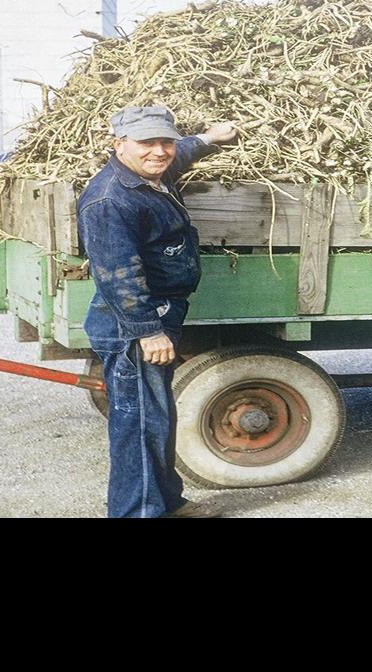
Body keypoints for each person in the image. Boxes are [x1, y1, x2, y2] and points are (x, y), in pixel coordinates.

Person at [78, 106, 238, 518]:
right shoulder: (111, 199)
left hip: (158, 314)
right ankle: (138, 513)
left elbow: (176, 152)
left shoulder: (151, 173)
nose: (159, 151)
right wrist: (149, 331)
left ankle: (166, 503)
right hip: (135, 325)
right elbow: (118, 274)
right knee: (140, 424)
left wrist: (207, 139)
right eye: (147, 142)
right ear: (119, 145)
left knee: (157, 416)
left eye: (164, 141)